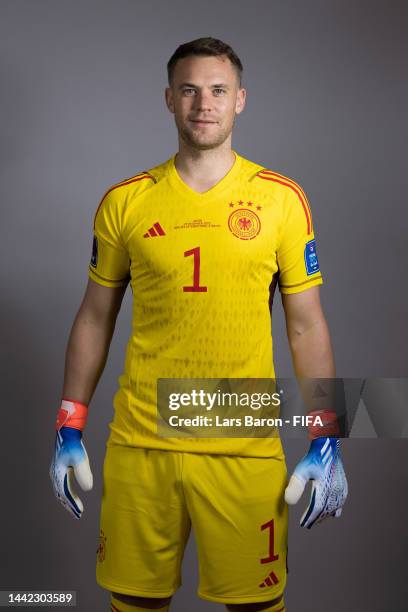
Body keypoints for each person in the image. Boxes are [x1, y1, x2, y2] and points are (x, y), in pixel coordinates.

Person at [50, 37, 348, 612]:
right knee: (133, 605)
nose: (203, 103)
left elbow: (306, 326)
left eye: (217, 90)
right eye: (189, 90)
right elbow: (94, 317)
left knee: (256, 607)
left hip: (244, 446)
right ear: (169, 99)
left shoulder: (282, 201)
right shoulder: (125, 201)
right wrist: (69, 422)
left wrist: (325, 433)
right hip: (141, 444)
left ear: (240, 100)